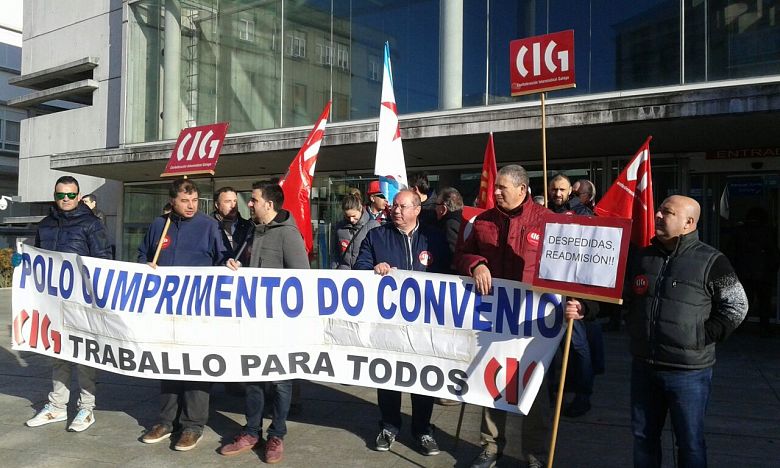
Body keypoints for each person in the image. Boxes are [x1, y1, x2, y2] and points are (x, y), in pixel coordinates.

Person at [456, 164, 583, 468]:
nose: (496, 192)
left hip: (535, 324)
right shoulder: (483, 221)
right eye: (495, 187)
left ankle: (535, 453)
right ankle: (490, 446)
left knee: (533, 389)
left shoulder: (548, 221)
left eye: (502, 187)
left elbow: (572, 269)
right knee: (491, 382)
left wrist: (579, 304)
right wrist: (476, 264)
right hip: (494, 319)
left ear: (522, 189)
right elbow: (461, 255)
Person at [625, 195, 748, 468]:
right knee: (643, 438)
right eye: (659, 210)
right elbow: (627, 296)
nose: (658, 215)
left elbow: (737, 306)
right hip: (644, 367)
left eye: (667, 212)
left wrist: (700, 337)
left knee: (690, 443)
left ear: (688, 222)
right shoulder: (643, 257)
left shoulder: (712, 260)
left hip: (688, 373)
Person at [354, 189, 451, 457]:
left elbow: (449, 272)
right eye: (394, 206)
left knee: (424, 377)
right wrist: (373, 269)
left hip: (425, 323)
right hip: (389, 323)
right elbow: (359, 267)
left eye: (402, 206)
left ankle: (422, 430)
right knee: (388, 375)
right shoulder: (376, 236)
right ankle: (389, 426)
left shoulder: (434, 238)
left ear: (417, 209)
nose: (395, 210)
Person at [220, 181, 310, 463]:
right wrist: (234, 265)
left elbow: (301, 280)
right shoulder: (252, 231)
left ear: (269, 204)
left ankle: (276, 434)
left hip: (280, 324)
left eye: (254, 200)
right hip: (254, 321)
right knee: (254, 377)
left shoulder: (288, 235)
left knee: (281, 381)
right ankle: (251, 431)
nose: (249, 204)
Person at [138, 178, 226, 451]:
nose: (191, 206)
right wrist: (145, 266)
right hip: (166, 310)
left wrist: (230, 264)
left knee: (195, 365)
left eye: (195, 200)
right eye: (185, 201)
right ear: (172, 201)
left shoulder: (209, 226)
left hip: (198, 311)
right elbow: (142, 256)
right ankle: (166, 421)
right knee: (168, 363)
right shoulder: (158, 225)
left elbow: (223, 259)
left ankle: (192, 425)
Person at [26, 176, 112, 433]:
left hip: (81, 302)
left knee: (84, 355)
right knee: (58, 354)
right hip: (53, 302)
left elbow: (103, 260)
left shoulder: (91, 224)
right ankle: (57, 406)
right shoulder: (45, 224)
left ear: (79, 196)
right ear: (55, 196)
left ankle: (86, 408)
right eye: (61, 195)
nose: (66, 199)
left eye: (71, 195)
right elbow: (37, 258)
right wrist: (22, 262)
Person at [547, 175, 602, 418]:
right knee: (550, 345)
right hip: (549, 288)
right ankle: (553, 390)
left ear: (570, 191)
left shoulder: (583, 214)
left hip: (573, 290)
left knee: (577, 345)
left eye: (562, 189)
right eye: (554, 189)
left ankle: (583, 395)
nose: (557, 193)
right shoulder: (545, 212)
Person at [331, 190, 380, 269]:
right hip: (343, 272)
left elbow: (378, 253)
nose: (351, 220)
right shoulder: (339, 228)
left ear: (360, 209)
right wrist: (334, 269)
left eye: (354, 216)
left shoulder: (373, 226)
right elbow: (335, 253)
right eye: (347, 216)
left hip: (364, 271)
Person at [212, 186, 254, 265]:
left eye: (235, 201)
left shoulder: (249, 227)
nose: (233, 205)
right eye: (228, 201)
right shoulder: (208, 227)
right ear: (217, 205)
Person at [435, 187, 464, 257]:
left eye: (436, 205)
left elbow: (452, 253)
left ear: (443, 209)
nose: (435, 208)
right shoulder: (463, 220)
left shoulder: (450, 225)